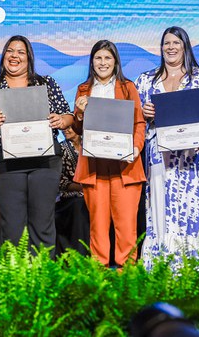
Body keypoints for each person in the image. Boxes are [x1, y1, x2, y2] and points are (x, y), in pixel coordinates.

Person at [135, 27, 199, 268]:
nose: (170, 47)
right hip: (159, 154)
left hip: (193, 155)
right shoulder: (146, 79)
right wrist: (144, 112)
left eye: (176, 43)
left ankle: (196, 261)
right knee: (163, 205)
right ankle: (162, 261)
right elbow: (137, 116)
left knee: (192, 205)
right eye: (166, 43)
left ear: (185, 47)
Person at [0, 35, 74, 256]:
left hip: (44, 162)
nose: (14, 56)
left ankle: (43, 278)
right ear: (4, 55)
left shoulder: (45, 83)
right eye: (10, 50)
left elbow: (68, 115)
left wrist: (60, 120)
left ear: (29, 58)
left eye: (20, 52)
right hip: (8, 164)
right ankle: (15, 280)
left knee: (42, 223)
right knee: (12, 226)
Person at [72, 40, 146, 267]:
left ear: (115, 62)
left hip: (125, 166)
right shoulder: (83, 89)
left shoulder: (127, 87)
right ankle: (99, 273)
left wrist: (135, 148)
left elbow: (139, 123)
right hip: (95, 166)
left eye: (107, 58)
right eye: (98, 58)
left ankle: (127, 276)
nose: (102, 63)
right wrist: (80, 113)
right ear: (92, 61)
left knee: (125, 226)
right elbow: (76, 129)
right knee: (98, 225)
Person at [55, 126, 90, 256]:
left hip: (93, 193)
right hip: (69, 198)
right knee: (79, 205)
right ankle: (80, 256)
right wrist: (82, 187)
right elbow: (60, 182)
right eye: (64, 128)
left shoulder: (90, 145)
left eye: (70, 127)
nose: (66, 130)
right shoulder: (61, 148)